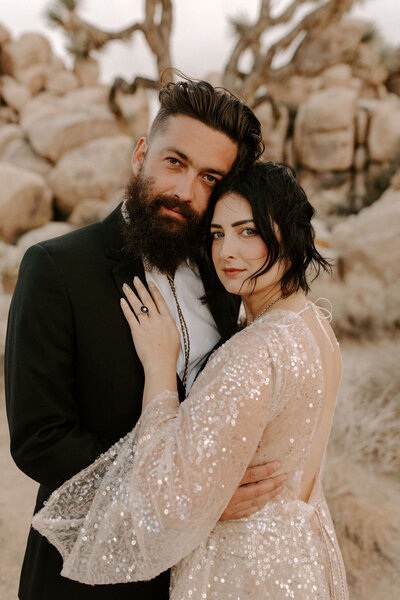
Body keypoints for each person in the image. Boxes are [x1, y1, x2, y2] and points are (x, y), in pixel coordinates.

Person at [5, 80, 285, 600]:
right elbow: (40, 439)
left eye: (209, 178)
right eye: (174, 162)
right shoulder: (56, 269)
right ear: (141, 154)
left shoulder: (223, 276)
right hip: (85, 577)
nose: (185, 191)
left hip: (195, 574)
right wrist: (184, 500)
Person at [32, 162, 349, 599]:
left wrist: (160, 365)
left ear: (291, 237)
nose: (226, 252)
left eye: (248, 231)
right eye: (217, 234)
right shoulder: (316, 326)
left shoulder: (255, 351)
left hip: (240, 573)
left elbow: (165, 494)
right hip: (299, 560)